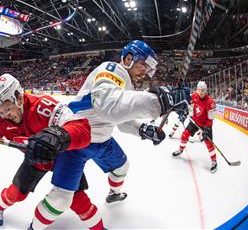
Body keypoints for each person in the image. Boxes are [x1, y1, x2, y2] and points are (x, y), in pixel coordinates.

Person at [28, 40, 191, 229]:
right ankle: (34, 227)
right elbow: (108, 107)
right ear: (128, 58)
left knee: (122, 167)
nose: (144, 72)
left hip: (102, 139)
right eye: (142, 66)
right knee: (61, 199)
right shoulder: (111, 69)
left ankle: (114, 194)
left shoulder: (126, 84)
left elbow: (119, 118)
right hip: (76, 139)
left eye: (147, 69)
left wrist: (142, 129)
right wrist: (159, 102)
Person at [0, 74, 107, 230]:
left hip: (62, 157)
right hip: (34, 160)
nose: (4, 115)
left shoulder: (44, 107)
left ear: (18, 97)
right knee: (16, 194)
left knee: (79, 200)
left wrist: (58, 136)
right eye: (0, 111)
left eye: (7, 109)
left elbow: (82, 128)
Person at [172, 81, 217, 173]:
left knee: (208, 143)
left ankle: (214, 160)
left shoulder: (210, 102)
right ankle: (181, 150)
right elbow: (188, 103)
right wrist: (185, 109)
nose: (201, 92)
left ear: (206, 90)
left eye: (203, 90)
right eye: (200, 90)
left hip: (205, 125)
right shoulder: (194, 96)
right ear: (197, 90)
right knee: (184, 135)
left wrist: (207, 129)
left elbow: (211, 118)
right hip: (194, 122)